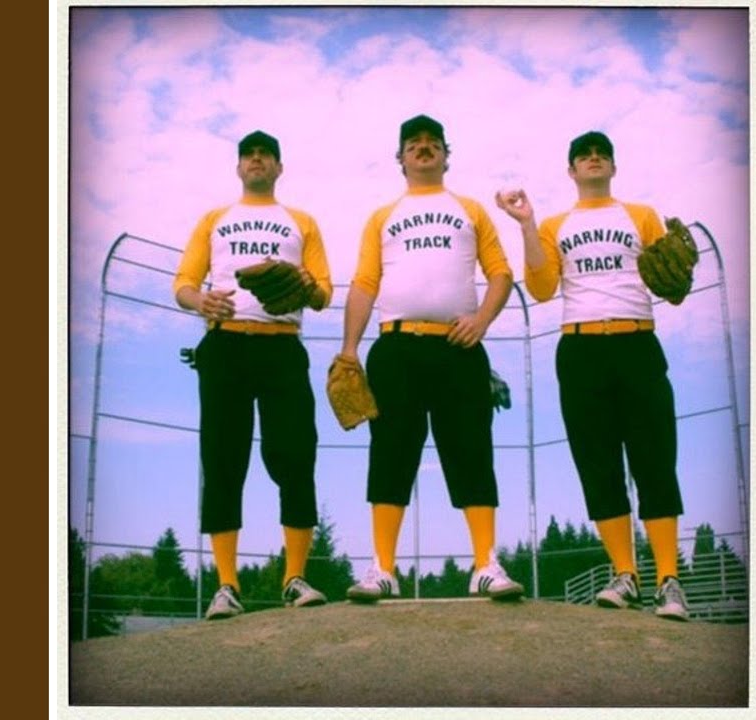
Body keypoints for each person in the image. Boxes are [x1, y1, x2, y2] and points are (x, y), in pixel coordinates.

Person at [494, 130, 691, 620]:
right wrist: (527, 224)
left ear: (613, 167)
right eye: (584, 155)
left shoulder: (641, 215)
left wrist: (679, 276)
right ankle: (626, 574)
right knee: (598, 465)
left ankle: (669, 580)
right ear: (572, 171)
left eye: (602, 153)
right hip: (580, 348)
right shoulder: (555, 224)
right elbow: (542, 287)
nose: (594, 158)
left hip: (636, 340)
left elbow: (670, 282)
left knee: (655, 460)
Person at [339, 114, 523, 603]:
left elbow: (501, 274)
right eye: (413, 143)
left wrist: (482, 320)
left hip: (459, 345)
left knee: (472, 451)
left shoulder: (470, 209)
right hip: (395, 345)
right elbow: (365, 283)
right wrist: (349, 348)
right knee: (390, 453)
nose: (423, 148)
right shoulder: (382, 216)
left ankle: (485, 564)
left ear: (446, 154)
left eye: (432, 142)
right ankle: (383, 569)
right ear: (400, 158)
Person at [173, 130, 334, 619]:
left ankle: (294, 577)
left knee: (296, 454)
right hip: (224, 344)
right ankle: (227, 584)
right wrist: (201, 300)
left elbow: (323, 294)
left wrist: (305, 283)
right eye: (248, 154)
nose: (257, 159)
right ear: (239, 167)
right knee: (223, 457)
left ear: (279, 167)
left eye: (265, 154)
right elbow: (183, 284)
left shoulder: (301, 222)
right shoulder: (214, 220)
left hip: (282, 345)